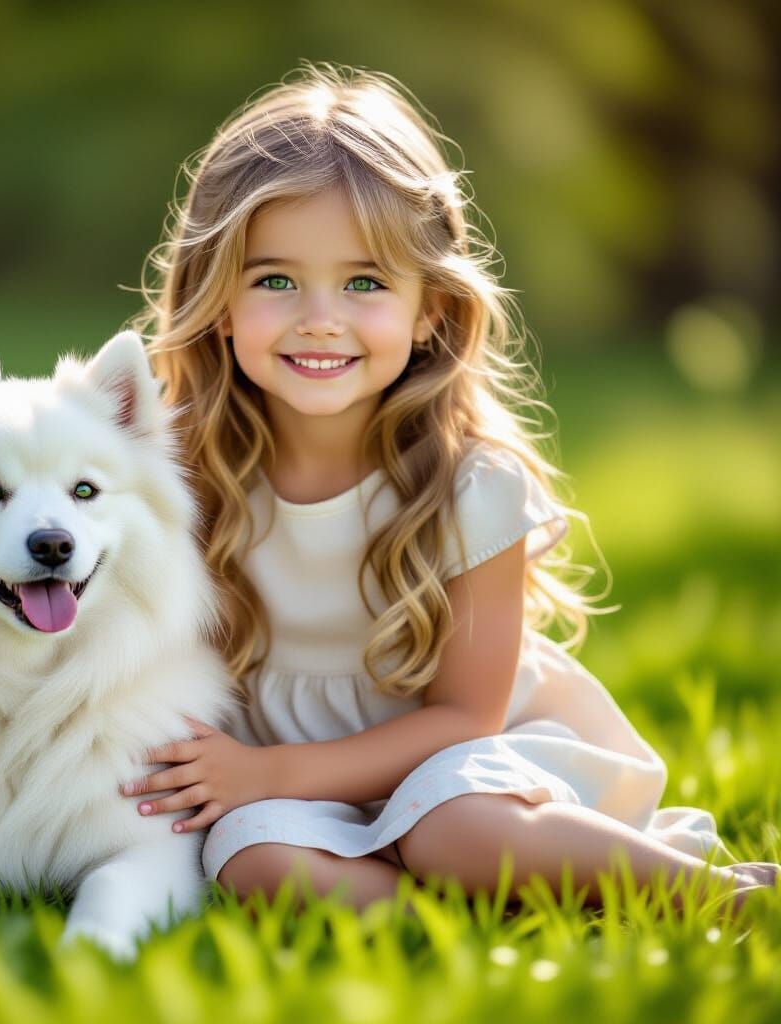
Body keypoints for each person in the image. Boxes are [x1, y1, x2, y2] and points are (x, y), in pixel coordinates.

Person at [119, 63, 778, 913]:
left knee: (452, 825)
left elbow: (467, 718)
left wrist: (271, 769)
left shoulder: (471, 482)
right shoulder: (175, 469)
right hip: (288, 795)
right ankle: (457, 918)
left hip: (466, 767)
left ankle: (718, 898)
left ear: (430, 306)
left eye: (365, 283)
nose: (321, 317)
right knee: (250, 860)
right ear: (217, 301)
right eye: (276, 280)